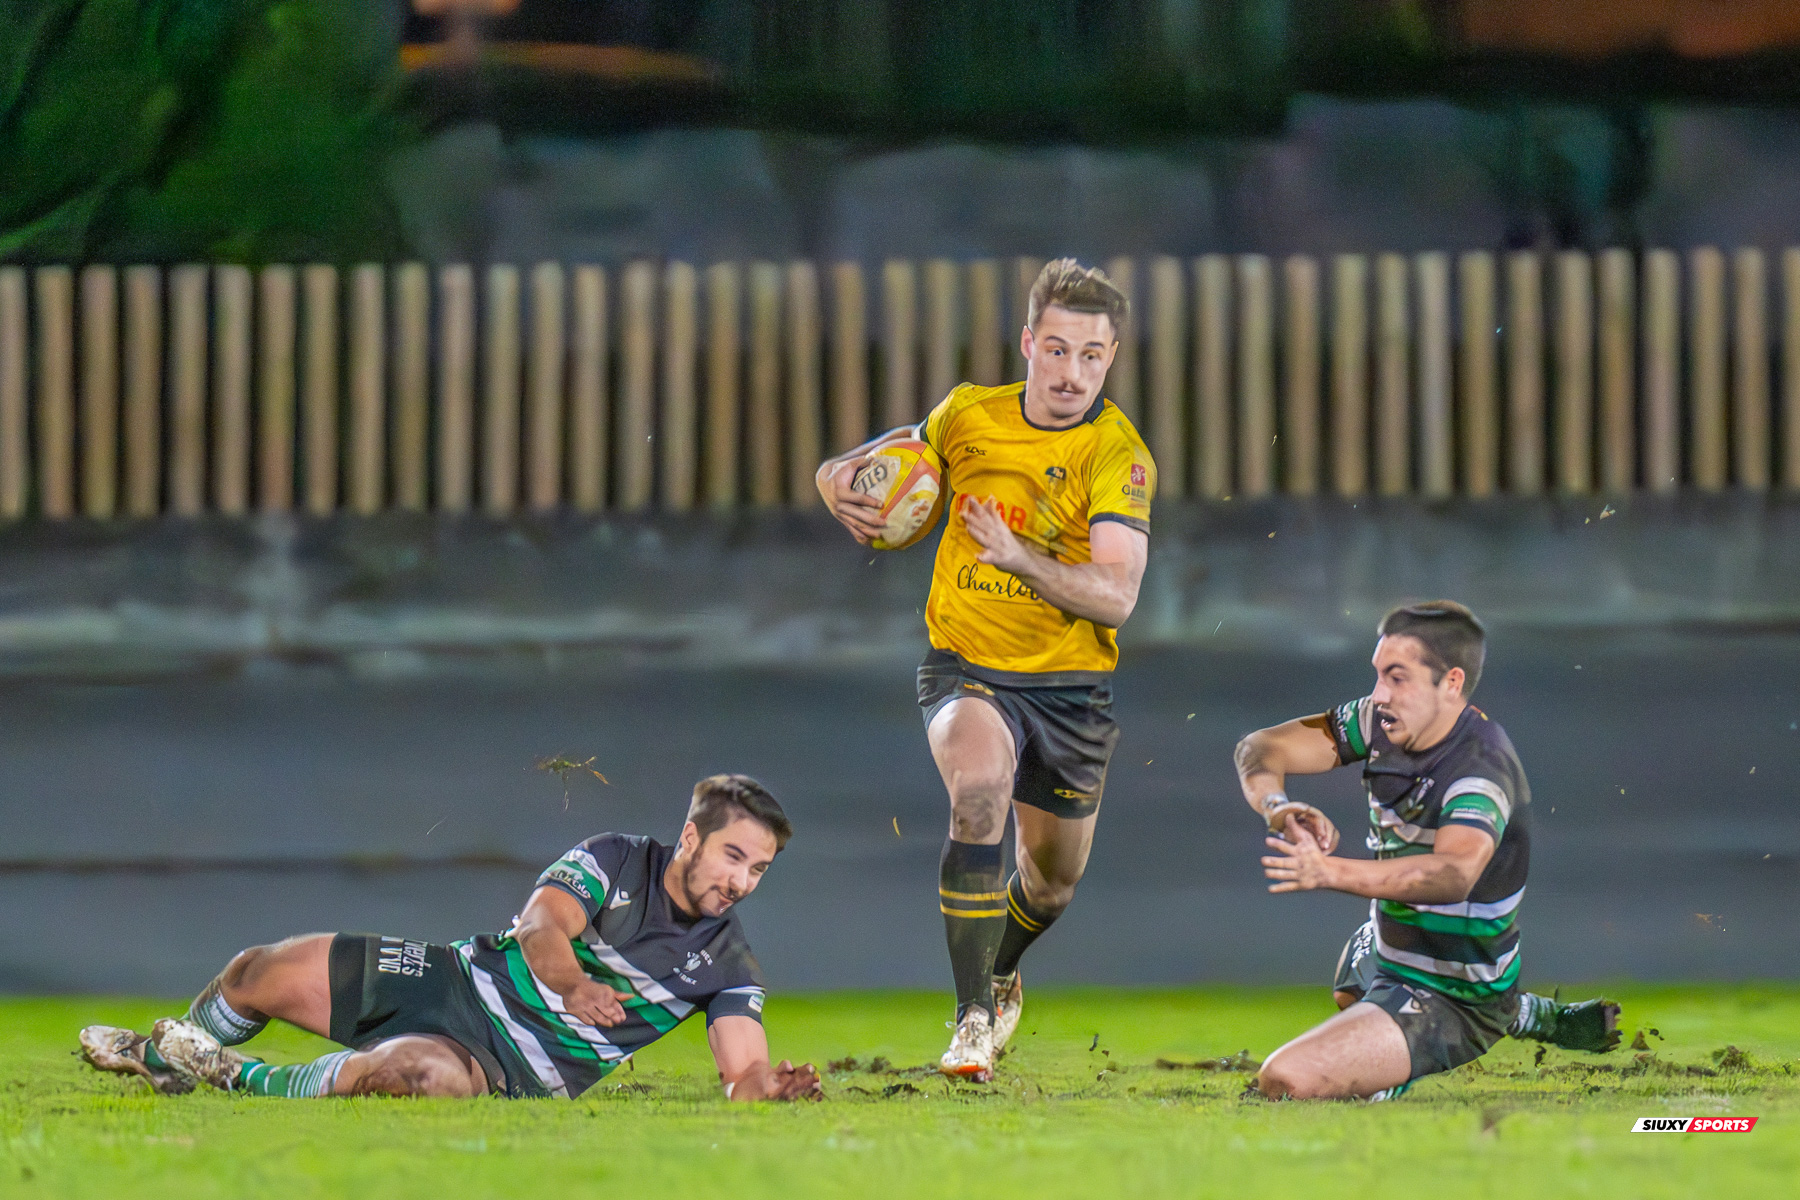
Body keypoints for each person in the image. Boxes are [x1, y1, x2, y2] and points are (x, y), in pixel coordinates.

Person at [816, 259, 1155, 1081]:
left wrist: (1020, 556)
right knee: (978, 796)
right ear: (1029, 344)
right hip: (966, 667)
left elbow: (1116, 598)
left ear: (1111, 357)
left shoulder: (1117, 454)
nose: (1072, 372)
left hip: (1069, 690)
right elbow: (854, 467)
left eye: (1093, 355)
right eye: (1058, 350)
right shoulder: (967, 413)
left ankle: (1001, 970)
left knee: (1052, 883)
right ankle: (971, 1018)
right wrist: (837, 490)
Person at [79, 775, 822, 1102]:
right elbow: (541, 925)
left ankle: (234, 1076)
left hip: (504, 1066)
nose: (742, 881)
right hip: (452, 980)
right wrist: (571, 983)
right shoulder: (616, 857)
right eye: (733, 857)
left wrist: (769, 1090)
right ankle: (164, 1057)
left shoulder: (727, 965)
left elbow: (742, 1074)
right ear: (690, 837)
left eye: (758, 869)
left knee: (417, 1077)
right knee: (255, 972)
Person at [1234, 602, 1618, 1101]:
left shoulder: (1479, 768)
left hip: (1453, 990)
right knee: (1351, 988)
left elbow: (1453, 873)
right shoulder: (1378, 722)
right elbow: (1261, 748)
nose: (1379, 694)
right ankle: (1528, 1014)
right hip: (1393, 950)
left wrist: (1329, 871)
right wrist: (1278, 806)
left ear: (1451, 683)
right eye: (1378, 675)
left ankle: (1481, 1021)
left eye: (1398, 679)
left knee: (1284, 1081)